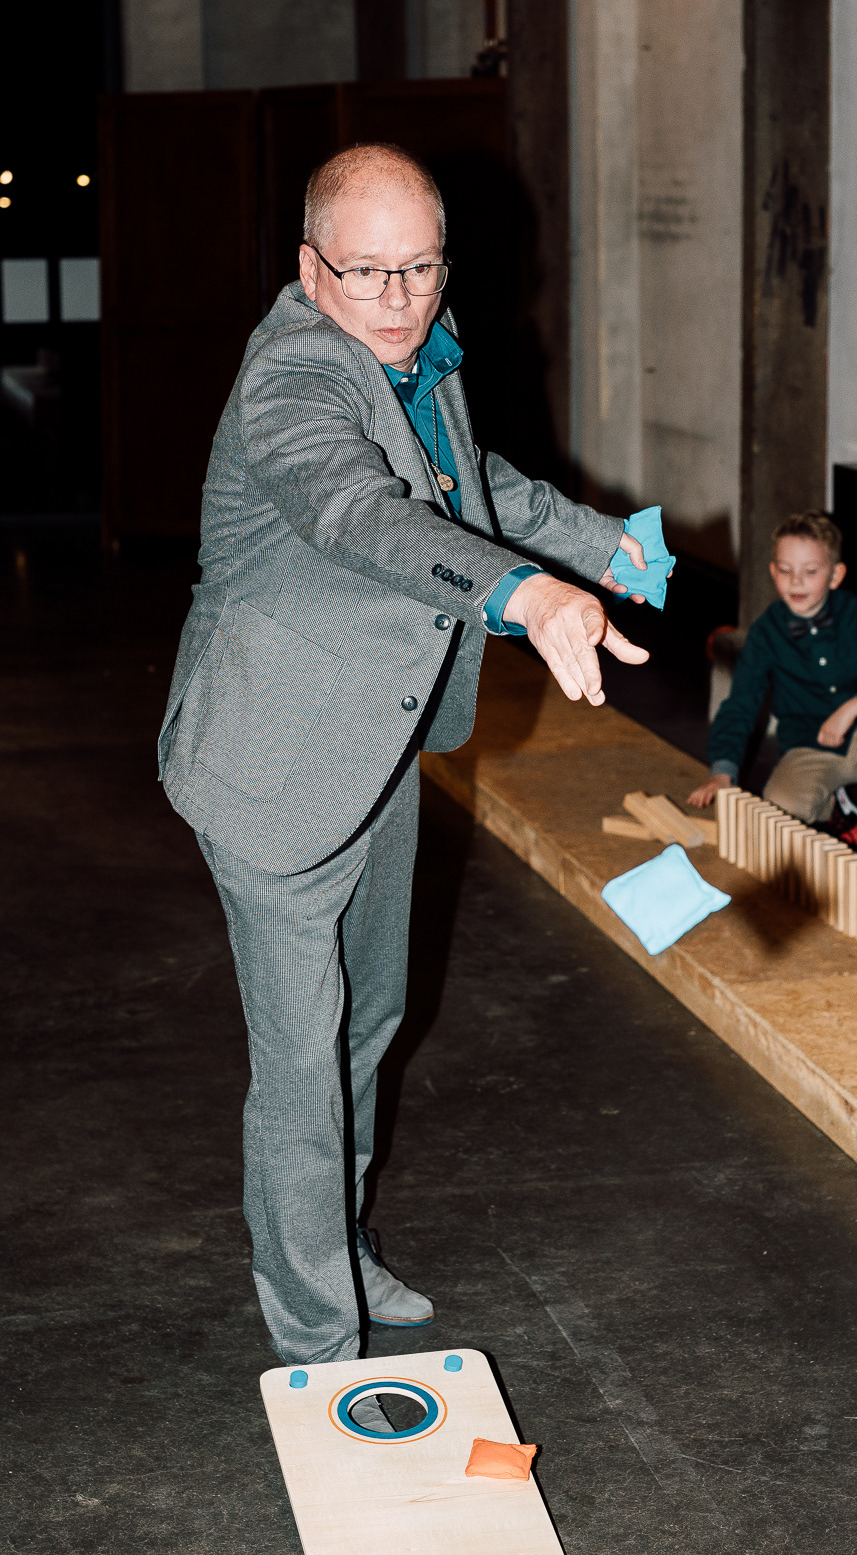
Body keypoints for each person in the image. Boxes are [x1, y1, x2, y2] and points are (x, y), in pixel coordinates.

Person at [158, 142, 652, 1400]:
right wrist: (525, 593)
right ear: (309, 265)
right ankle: (319, 1349)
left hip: (374, 741)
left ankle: (343, 1242)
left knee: (369, 1020)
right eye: (368, 271)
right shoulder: (291, 377)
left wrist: (602, 547)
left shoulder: (420, 348)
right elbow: (362, 512)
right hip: (272, 762)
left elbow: (467, 483)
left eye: (421, 268)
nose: (398, 298)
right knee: (300, 1059)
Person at [688, 511, 857, 878]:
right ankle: (832, 810)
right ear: (773, 572)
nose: (797, 581)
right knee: (780, 808)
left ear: (835, 575)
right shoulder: (765, 634)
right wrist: (722, 771)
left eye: (810, 571)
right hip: (808, 747)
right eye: (786, 570)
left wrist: (854, 707)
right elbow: (740, 704)